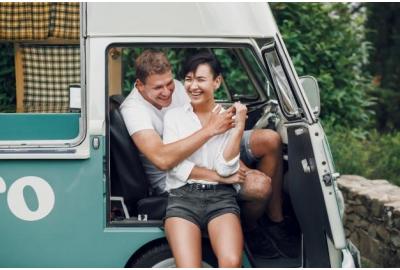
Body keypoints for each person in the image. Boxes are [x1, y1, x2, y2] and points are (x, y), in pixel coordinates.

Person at [120, 49, 297, 258]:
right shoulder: (134, 110)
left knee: (269, 140)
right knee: (259, 187)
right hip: (179, 173)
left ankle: (275, 222)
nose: (168, 91)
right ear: (140, 86)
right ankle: (250, 228)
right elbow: (163, 159)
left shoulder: (176, 88)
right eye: (158, 88)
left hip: (207, 150)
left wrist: (237, 157)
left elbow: (203, 120)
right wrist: (221, 166)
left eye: (169, 83)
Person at [163, 52, 246, 267]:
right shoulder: (174, 117)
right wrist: (211, 130)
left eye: (200, 79)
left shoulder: (227, 117)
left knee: (231, 261)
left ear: (217, 81)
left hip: (221, 199)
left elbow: (227, 170)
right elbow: (173, 166)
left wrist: (238, 129)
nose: (193, 86)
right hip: (183, 197)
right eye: (188, 80)